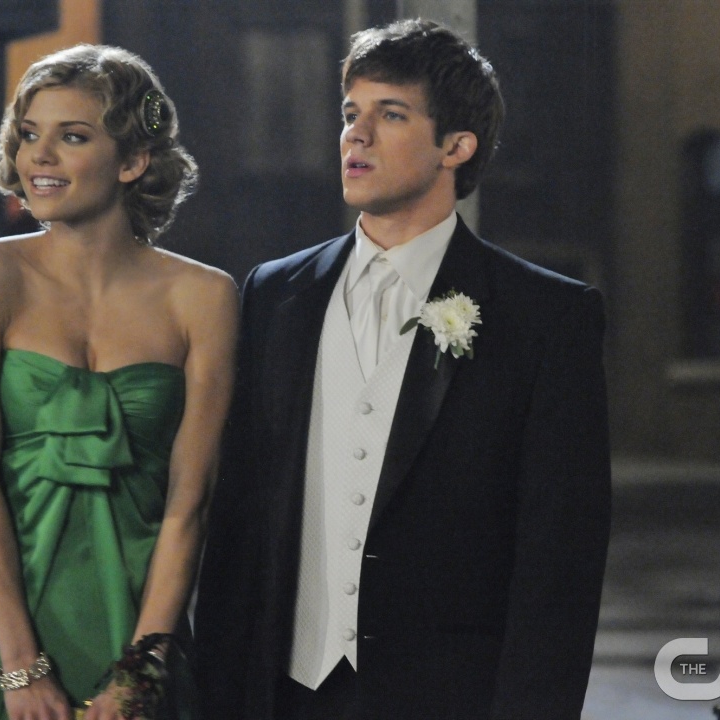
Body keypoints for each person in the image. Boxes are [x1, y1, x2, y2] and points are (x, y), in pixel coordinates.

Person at [193, 18, 611, 720]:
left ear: (457, 146)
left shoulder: (546, 317)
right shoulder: (273, 292)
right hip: (284, 693)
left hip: (448, 698)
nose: (355, 136)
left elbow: (559, 560)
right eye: (350, 113)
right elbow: (239, 519)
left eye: (390, 115)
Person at [0, 44, 237, 720]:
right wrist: (19, 666)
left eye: (71, 137)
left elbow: (190, 505)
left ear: (132, 160)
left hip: (139, 619)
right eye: (29, 134)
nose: (39, 156)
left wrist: (142, 668)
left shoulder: (204, 297)